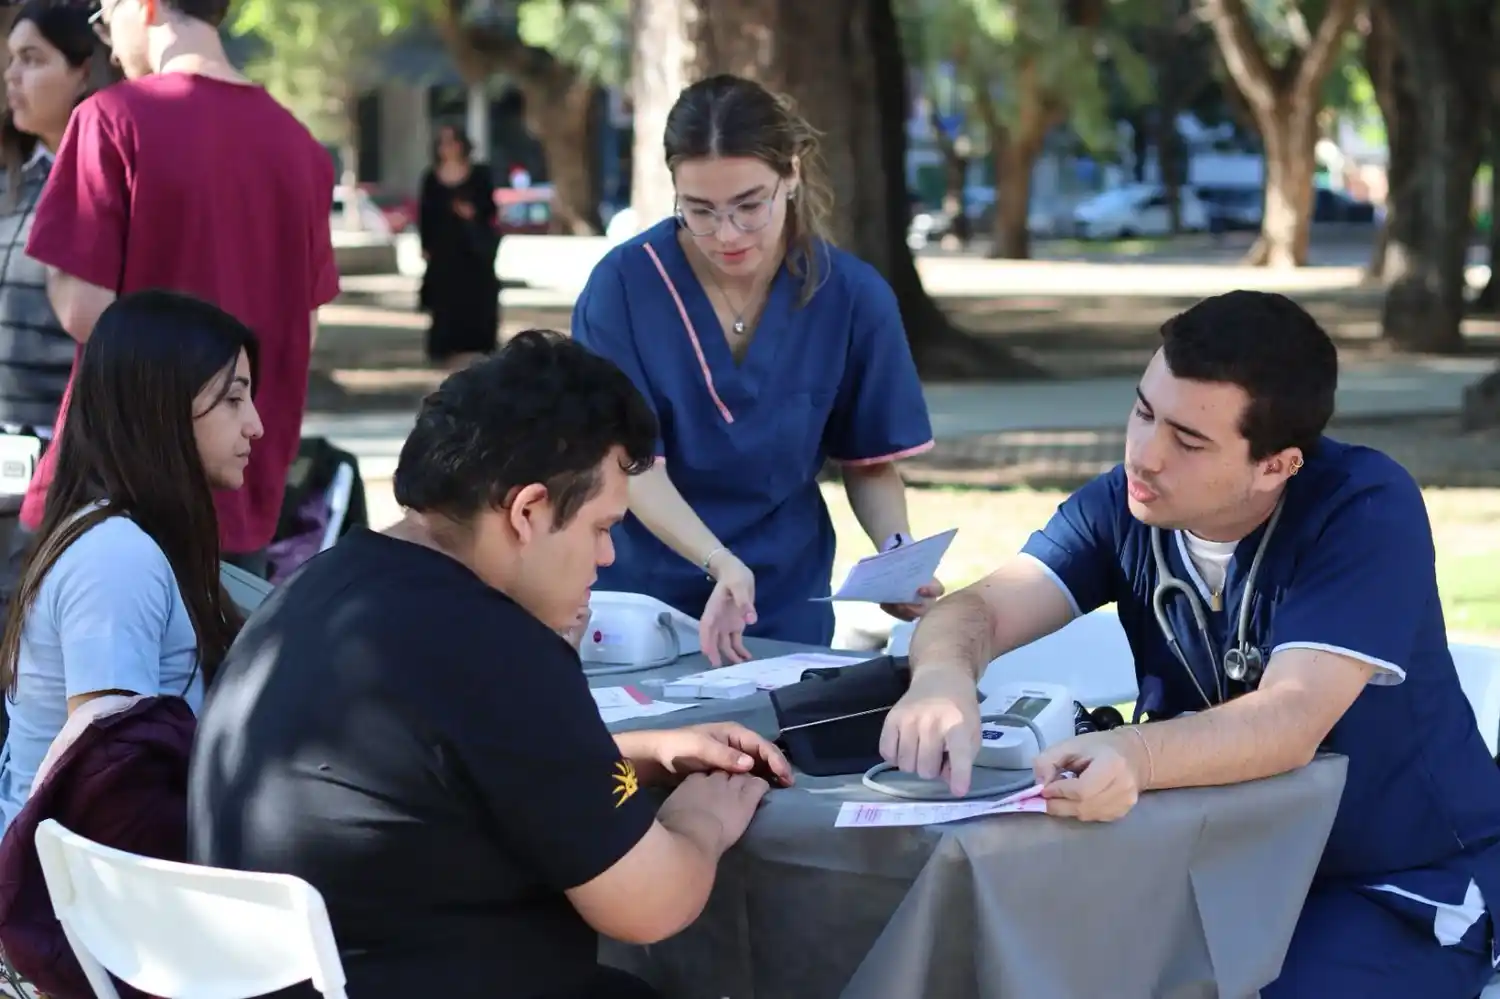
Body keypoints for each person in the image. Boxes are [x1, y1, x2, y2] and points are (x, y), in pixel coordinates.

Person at [878, 290, 1500, 998]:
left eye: (1189, 440)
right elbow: (979, 609)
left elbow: (1289, 718)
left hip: (1392, 881)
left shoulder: (1364, 507)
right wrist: (941, 678)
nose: (1145, 455)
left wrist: (1134, 754)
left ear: (1277, 466)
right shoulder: (1123, 503)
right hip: (1207, 864)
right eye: (1144, 412)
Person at [188, 330, 792, 999]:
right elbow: (650, 904)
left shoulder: (318, 589)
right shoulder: (494, 647)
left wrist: (636, 753)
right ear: (528, 510)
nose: (608, 557)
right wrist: (703, 820)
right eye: (601, 527)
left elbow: (439, 773)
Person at [572, 74, 938, 664]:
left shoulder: (852, 296)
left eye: (748, 206)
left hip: (783, 602)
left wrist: (899, 556)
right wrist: (719, 562)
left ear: (790, 174)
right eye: (699, 210)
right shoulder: (622, 288)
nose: (726, 234)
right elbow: (629, 465)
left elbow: (869, 463)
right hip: (638, 603)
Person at [19, 0, 337, 579]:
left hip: (119, 492)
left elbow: (82, 309)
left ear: (144, 6)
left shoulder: (111, 118)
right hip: (241, 497)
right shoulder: (301, 147)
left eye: (104, 15)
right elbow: (305, 330)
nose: (108, 42)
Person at [0, 288, 261, 834]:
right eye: (233, 399)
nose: (254, 425)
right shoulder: (115, 556)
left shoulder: (135, 539)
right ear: (162, 406)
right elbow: (107, 787)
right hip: (65, 881)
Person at [0, 0, 110, 606]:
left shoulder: (106, 177)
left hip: (70, 453)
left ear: (83, 70)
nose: (12, 75)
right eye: (10, 60)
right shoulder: (11, 179)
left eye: (32, 59)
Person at [418, 123, 500, 371]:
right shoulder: (431, 178)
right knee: (445, 297)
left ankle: (479, 345)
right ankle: (445, 347)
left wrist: (472, 213)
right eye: (443, 142)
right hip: (444, 249)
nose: (448, 147)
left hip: (473, 249)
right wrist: (425, 245)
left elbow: (490, 209)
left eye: (452, 141)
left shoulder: (480, 174)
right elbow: (425, 215)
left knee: (477, 295)